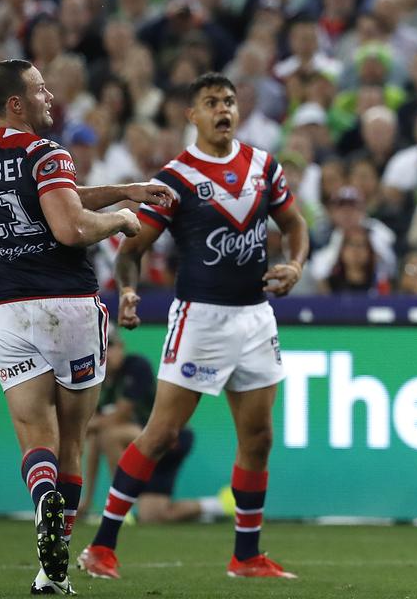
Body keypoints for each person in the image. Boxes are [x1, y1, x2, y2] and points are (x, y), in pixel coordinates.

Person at [78, 72, 308, 580]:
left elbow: (294, 225)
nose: (223, 109)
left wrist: (295, 266)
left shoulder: (264, 166)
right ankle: (102, 546)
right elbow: (131, 250)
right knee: (160, 433)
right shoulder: (176, 178)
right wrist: (130, 290)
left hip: (254, 316)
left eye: (228, 100)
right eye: (211, 102)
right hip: (199, 318)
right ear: (192, 115)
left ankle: (245, 556)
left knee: (259, 437)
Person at [0, 59, 172, 595]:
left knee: (36, 438)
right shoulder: (45, 152)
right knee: (72, 443)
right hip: (71, 308)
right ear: (16, 103)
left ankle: (47, 552)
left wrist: (126, 189)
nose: (49, 96)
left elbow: (58, 200)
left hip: (12, 311)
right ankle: (54, 556)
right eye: (39, 89)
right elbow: (70, 225)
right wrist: (123, 219)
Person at [80, 330, 226, 524]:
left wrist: (84, 425)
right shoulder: (98, 378)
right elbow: (95, 423)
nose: (106, 352)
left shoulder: (136, 367)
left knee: (109, 435)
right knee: (154, 515)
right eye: (101, 347)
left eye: (111, 346)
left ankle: (119, 509)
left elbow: (119, 416)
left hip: (170, 437)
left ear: (121, 346)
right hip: (141, 443)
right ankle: (219, 506)